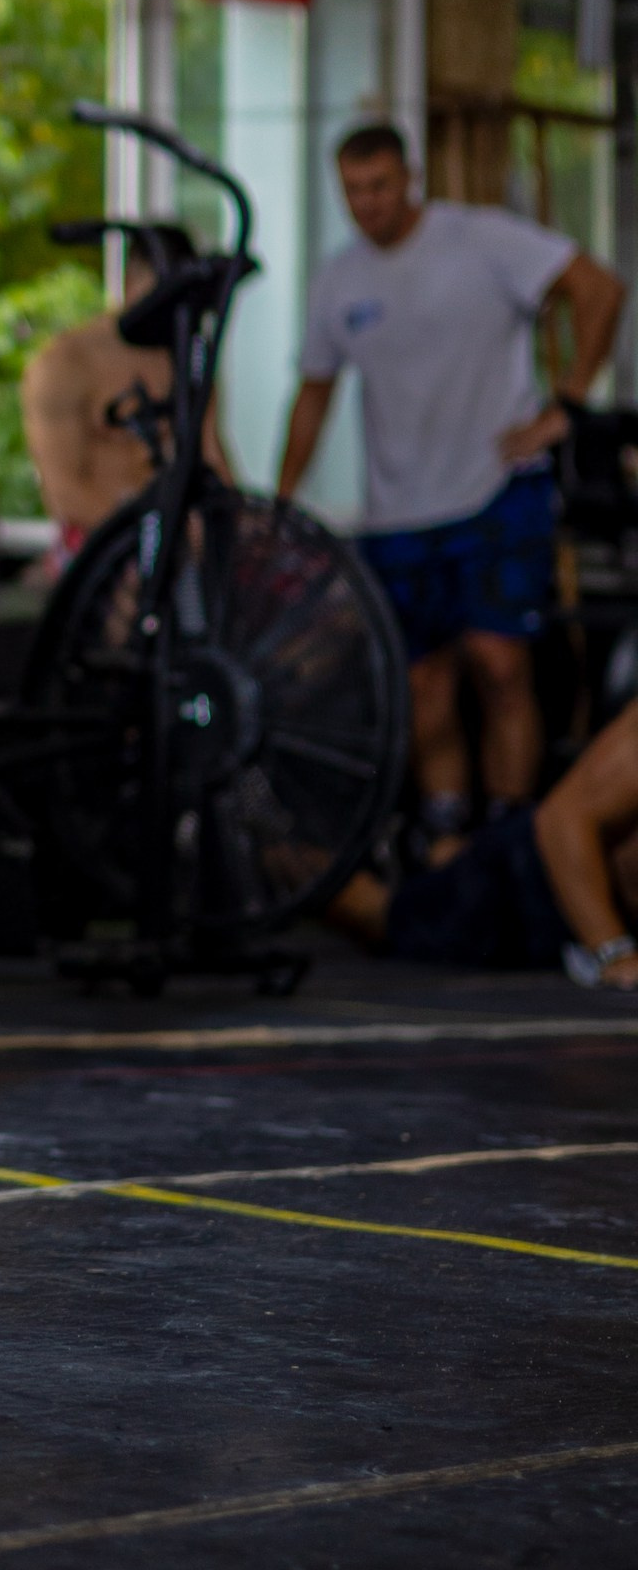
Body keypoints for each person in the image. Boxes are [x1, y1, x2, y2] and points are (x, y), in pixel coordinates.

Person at [279, 122, 621, 851]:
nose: (366, 205)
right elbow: (313, 394)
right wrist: (280, 501)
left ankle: (510, 830)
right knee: (426, 685)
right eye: (352, 192)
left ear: (408, 179)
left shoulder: (482, 239)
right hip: (395, 509)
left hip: (496, 488)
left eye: (378, 187)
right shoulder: (340, 279)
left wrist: (568, 404)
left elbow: (598, 287)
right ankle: (445, 835)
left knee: (499, 664)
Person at [327, 695, 638, 994]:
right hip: (527, 881)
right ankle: (290, 867)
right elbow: (561, 820)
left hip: (575, 924)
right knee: (380, 918)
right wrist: (613, 951)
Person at [21, 230, 227, 568]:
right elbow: (63, 493)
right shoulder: (67, 362)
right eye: (163, 293)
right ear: (131, 282)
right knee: (133, 589)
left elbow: (213, 455)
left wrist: (238, 528)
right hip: (98, 543)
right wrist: (156, 532)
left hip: (178, 540)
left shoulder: (189, 357)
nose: (172, 308)